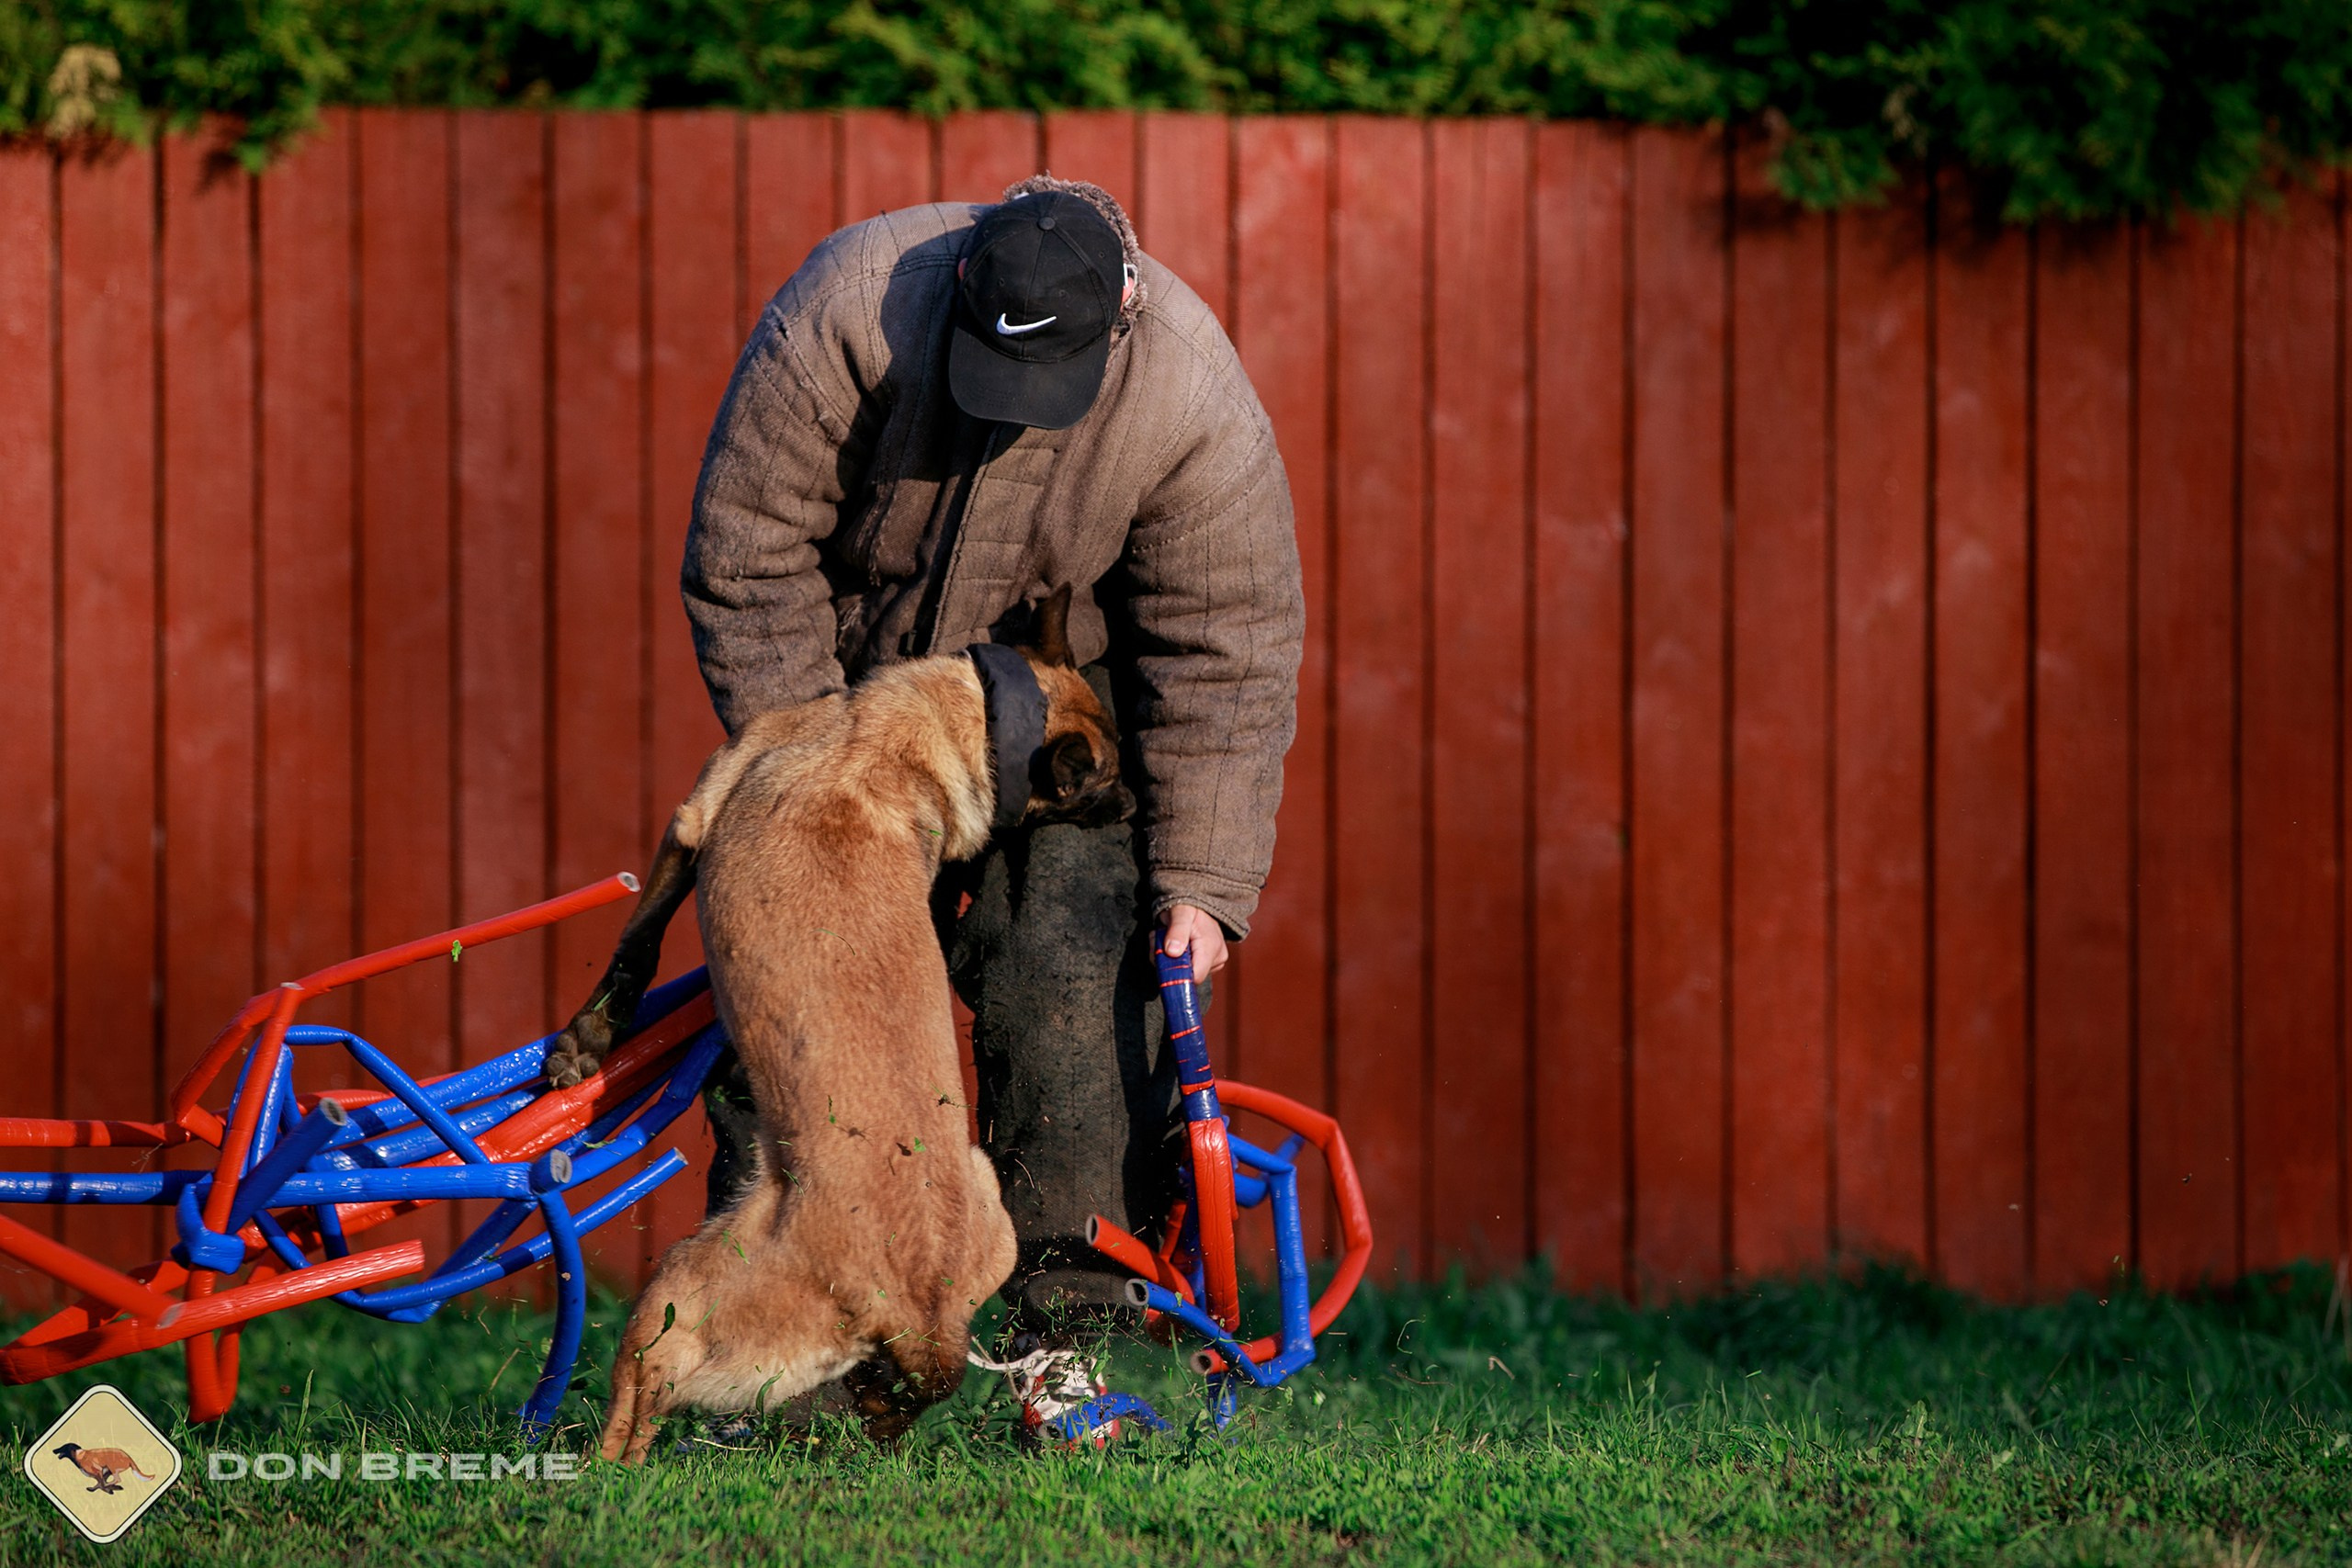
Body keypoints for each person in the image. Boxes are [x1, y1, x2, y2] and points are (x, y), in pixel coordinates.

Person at [680, 175, 1303, 1438]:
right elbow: (747, 551)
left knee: (1074, 975)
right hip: (846, 717)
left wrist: (1204, 887)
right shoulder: (851, 312)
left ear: (1122, 313)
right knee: (801, 1015)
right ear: (961, 288)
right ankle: (781, 1362)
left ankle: (1066, 1347)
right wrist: (818, 780)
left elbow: (1224, 648)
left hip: (1062, 746)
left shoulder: (1190, 393)